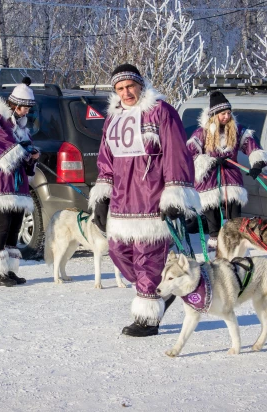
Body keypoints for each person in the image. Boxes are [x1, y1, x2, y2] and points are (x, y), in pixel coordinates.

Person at [89, 64, 201, 337]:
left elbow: (176, 154)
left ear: (140, 85)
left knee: (147, 258)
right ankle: (160, 292)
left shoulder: (161, 111)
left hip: (152, 199)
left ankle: (148, 317)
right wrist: (102, 196)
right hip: (121, 201)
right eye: (120, 88)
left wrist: (174, 194)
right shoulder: (113, 118)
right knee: (117, 251)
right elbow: (106, 159)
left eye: (130, 86)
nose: (126, 93)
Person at [0, 77, 40, 287]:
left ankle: (9, 270)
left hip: (17, 185)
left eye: (28, 110)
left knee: (15, 226)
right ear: (14, 104)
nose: (26, 113)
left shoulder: (20, 128)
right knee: (2, 226)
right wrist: (22, 150)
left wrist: (31, 156)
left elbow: (21, 158)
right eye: (23, 109)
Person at [187, 91, 267, 249]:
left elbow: (251, 145)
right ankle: (215, 245)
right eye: (223, 113)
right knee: (213, 218)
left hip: (231, 179)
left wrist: (257, 164)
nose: (227, 116)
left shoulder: (236, 130)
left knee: (235, 217)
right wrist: (210, 161)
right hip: (209, 181)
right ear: (214, 115)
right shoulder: (202, 133)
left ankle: (235, 244)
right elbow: (190, 155)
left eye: (228, 112)